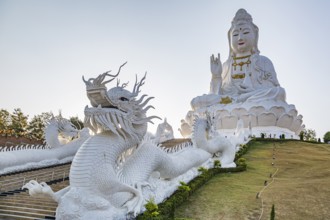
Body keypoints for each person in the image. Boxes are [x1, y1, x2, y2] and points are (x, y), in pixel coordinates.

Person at [192, 9, 286, 110]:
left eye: (245, 32)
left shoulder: (263, 61)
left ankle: (240, 100)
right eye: (235, 34)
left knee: (279, 92)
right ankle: (237, 101)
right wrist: (216, 76)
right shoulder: (226, 66)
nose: (240, 38)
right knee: (196, 102)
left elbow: (272, 89)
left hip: (253, 99)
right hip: (228, 100)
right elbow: (216, 94)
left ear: (255, 36)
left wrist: (251, 90)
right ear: (229, 39)